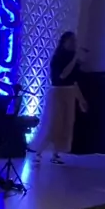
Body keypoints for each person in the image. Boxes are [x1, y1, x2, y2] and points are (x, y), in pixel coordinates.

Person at [33, 32, 87, 165]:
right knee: (53, 123)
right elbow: (63, 76)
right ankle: (38, 152)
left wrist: (81, 99)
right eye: (71, 41)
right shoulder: (58, 58)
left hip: (69, 92)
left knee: (67, 124)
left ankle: (56, 154)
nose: (74, 43)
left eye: (74, 41)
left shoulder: (73, 60)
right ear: (64, 42)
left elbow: (74, 82)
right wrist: (75, 58)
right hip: (57, 92)